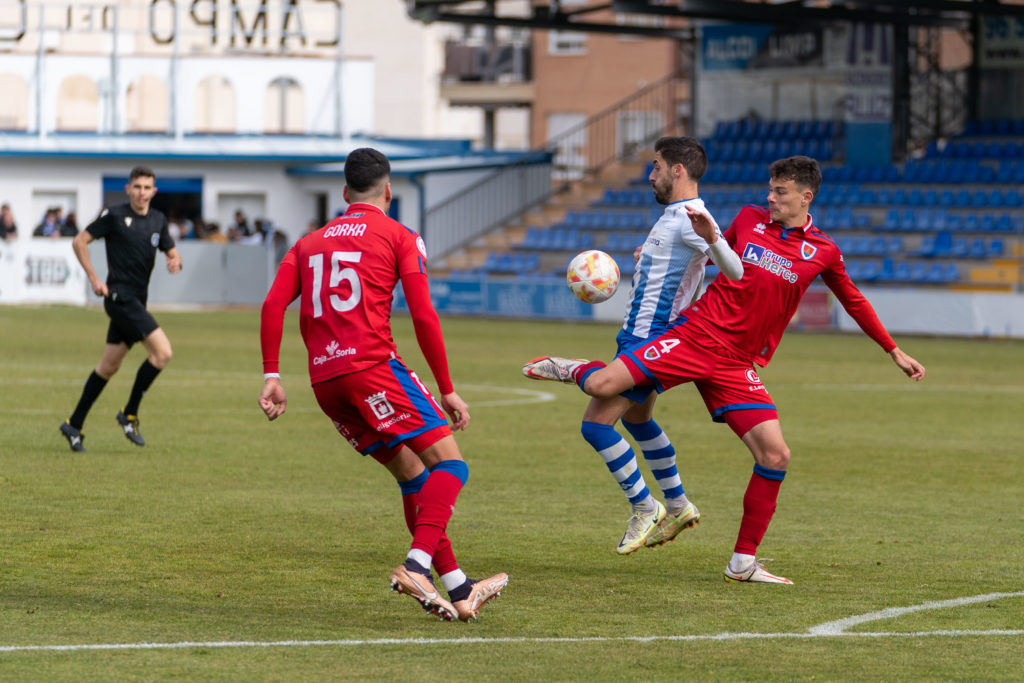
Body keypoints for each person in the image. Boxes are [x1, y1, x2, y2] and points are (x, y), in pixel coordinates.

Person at [524, 156, 925, 584]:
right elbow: (712, 254)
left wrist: (893, 350)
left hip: (736, 362)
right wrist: (662, 255)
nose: (769, 198)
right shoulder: (750, 219)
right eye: (770, 189)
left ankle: (742, 562)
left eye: (780, 192)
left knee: (775, 454)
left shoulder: (822, 251)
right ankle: (573, 370)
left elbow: (854, 300)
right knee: (604, 389)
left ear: (806, 197)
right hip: (695, 335)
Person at [258, 147, 508, 622]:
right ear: (388, 191)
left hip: (326, 383)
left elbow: (273, 306)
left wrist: (272, 374)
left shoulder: (309, 244)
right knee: (452, 467)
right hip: (373, 369)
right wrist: (447, 387)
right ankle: (416, 565)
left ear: (345, 191)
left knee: (415, 477)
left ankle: (458, 589)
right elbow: (422, 314)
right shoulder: (399, 236)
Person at [526, 136, 744, 555]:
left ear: (678, 170)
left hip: (652, 340)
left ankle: (645, 506)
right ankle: (678, 505)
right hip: (640, 336)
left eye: (657, 165)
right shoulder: (673, 217)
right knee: (638, 422)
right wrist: (648, 256)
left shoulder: (693, 216)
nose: (651, 174)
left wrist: (713, 239)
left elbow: (734, 271)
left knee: (595, 423)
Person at [59, 166, 183, 452]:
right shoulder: (114, 216)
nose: (141, 192)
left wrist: (175, 261)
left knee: (108, 367)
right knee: (162, 352)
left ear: (154, 191)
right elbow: (80, 241)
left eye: (146, 187)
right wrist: (93, 277)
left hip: (137, 301)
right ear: (128, 190)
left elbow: (172, 252)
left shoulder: (158, 220)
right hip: (119, 298)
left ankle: (73, 424)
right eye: (136, 187)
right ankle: (129, 414)